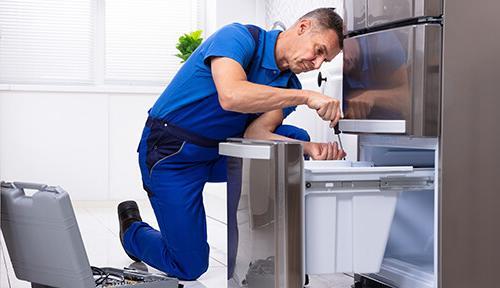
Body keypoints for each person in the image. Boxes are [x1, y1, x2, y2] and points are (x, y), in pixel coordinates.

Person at [117, 7, 345, 281]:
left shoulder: (287, 83)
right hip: (172, 154)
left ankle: (272, 255)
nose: (317, 63)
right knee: (189, 266)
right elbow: (231, 95)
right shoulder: (239, 37)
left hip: (219, 152)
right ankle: (132, 232)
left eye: (325, 60)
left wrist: (310, 150)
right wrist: (306, 96)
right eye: (318, 50)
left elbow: (256, 134)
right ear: (303, 27)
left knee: (294, 143)